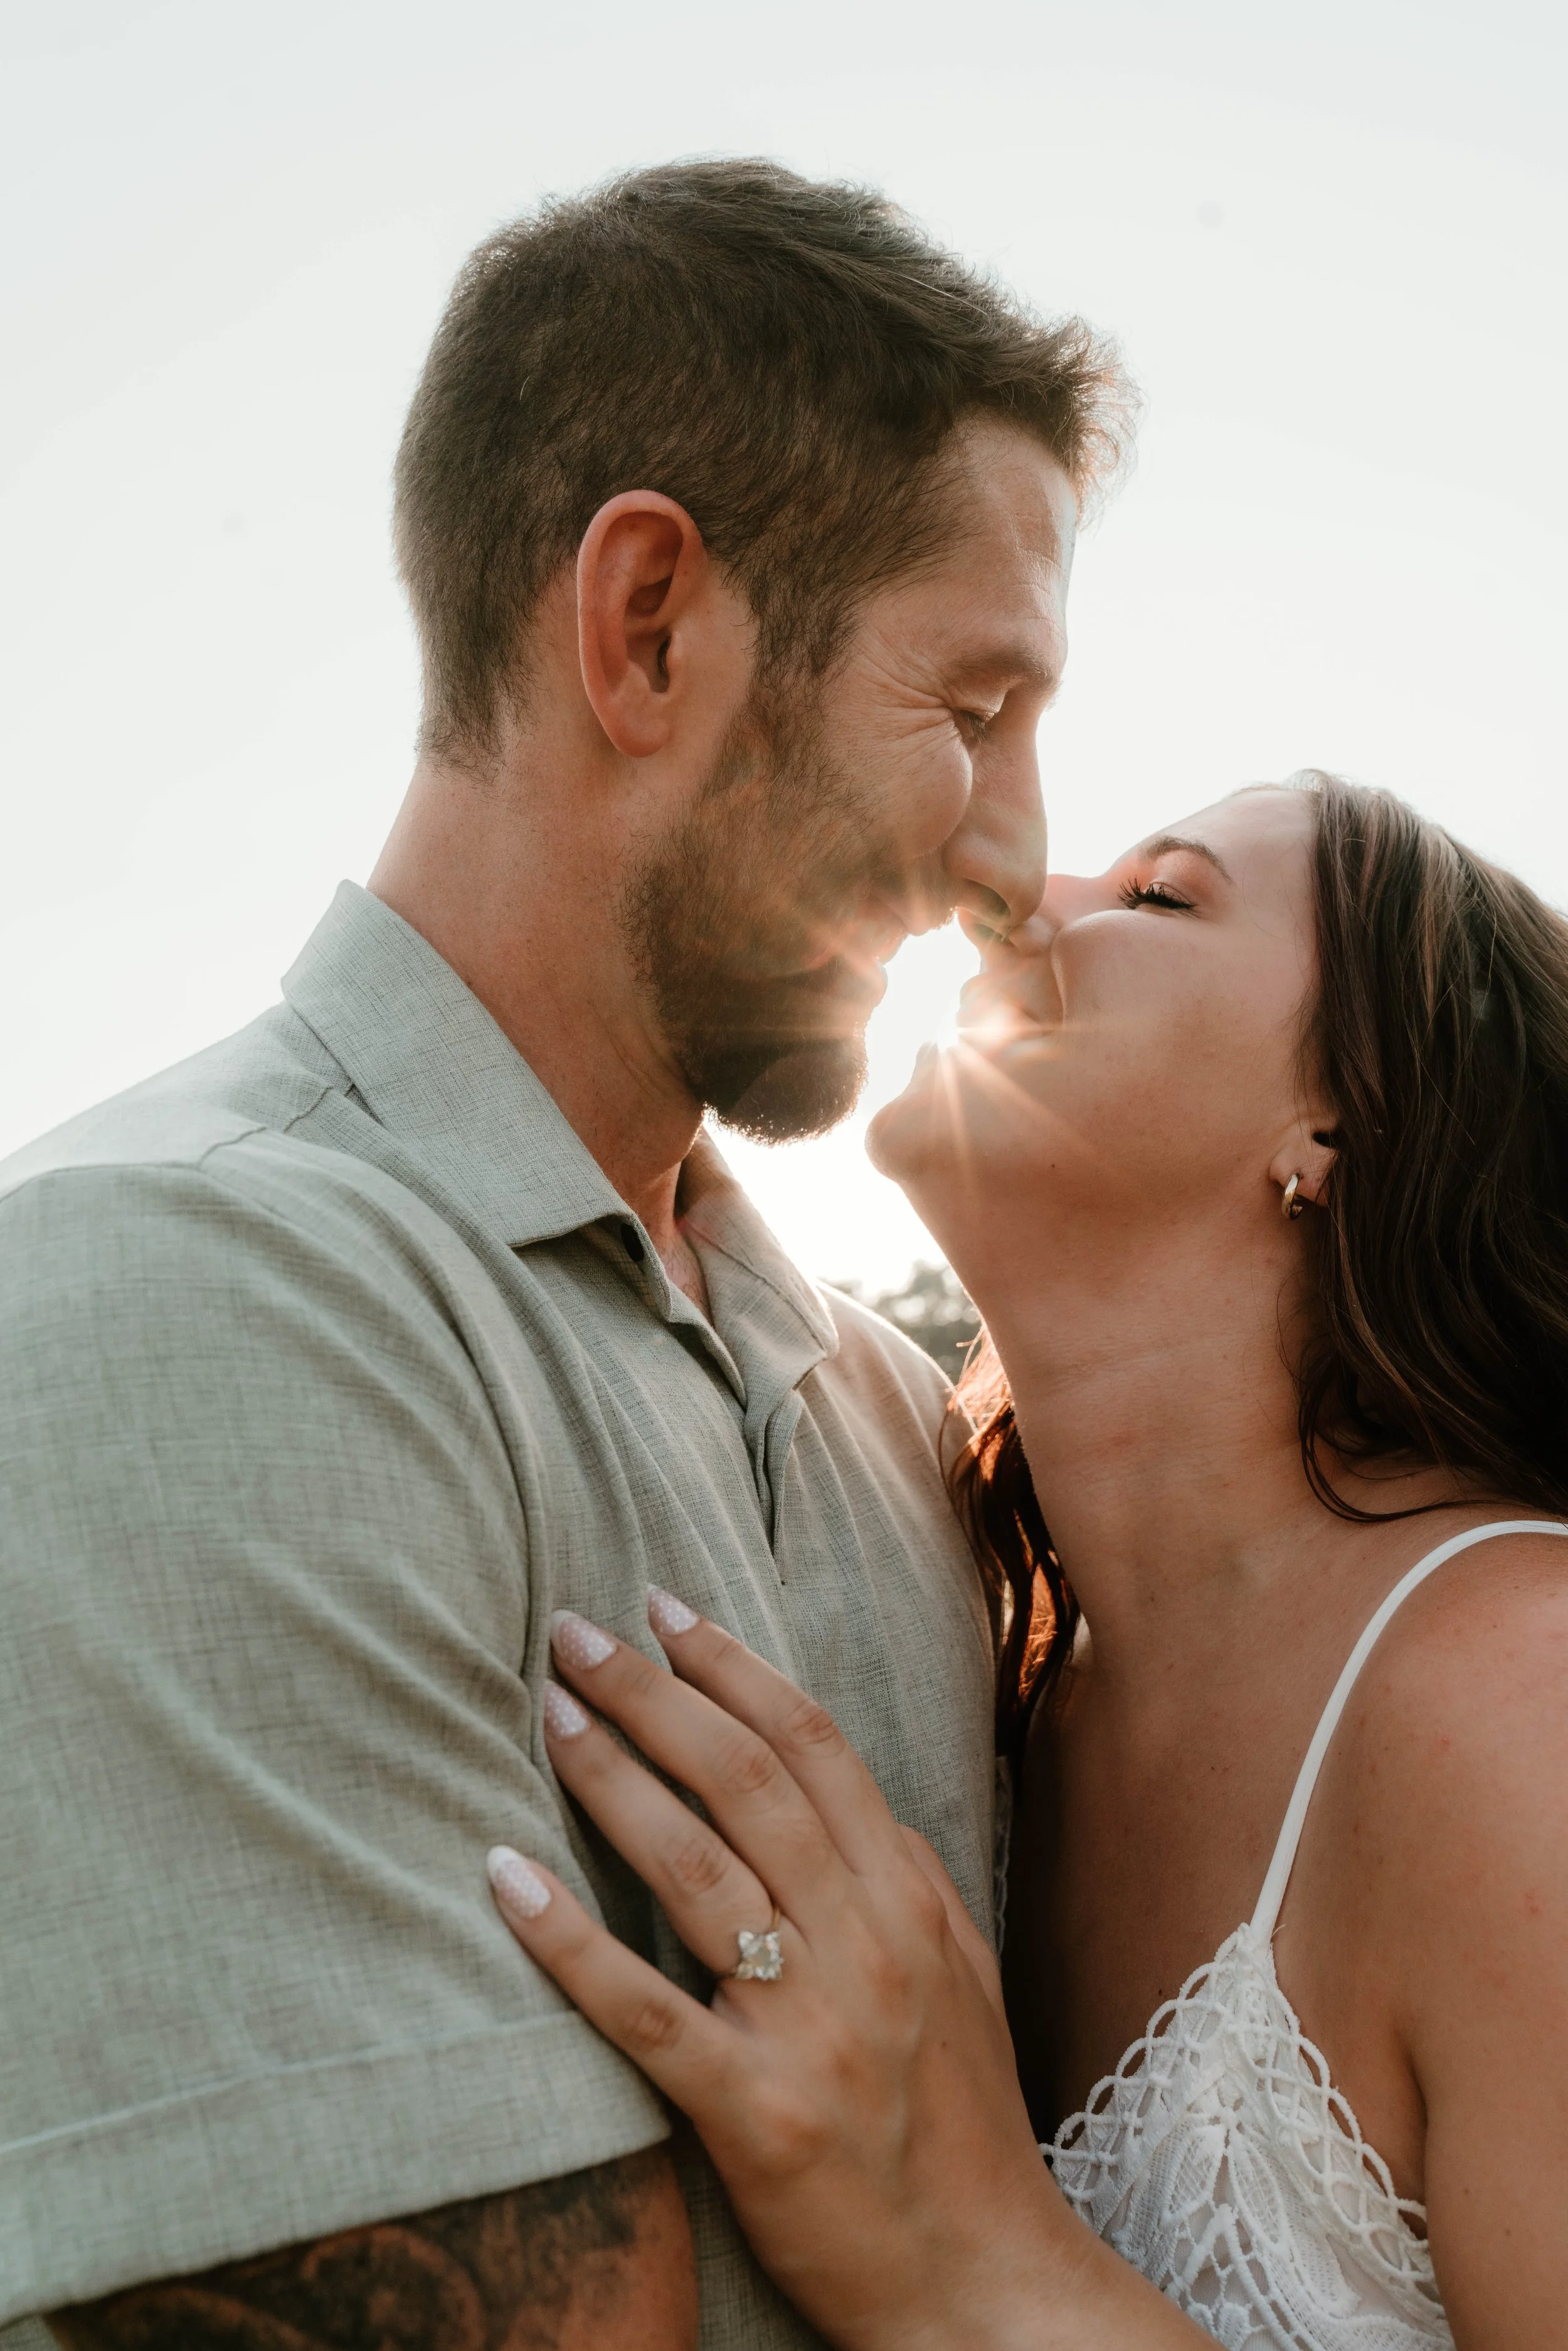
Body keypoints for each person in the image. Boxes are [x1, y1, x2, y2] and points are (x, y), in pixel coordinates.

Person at [0, 162, 1132, 2348]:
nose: (1018, 849)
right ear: (646, 628)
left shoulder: (892, 1404)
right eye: (974, 708)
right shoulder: (176, 1302)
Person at [485, 772, 1568, 2350]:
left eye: (1158, 895)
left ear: (1334, 1121)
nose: (1016, 896)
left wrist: (975, 2261)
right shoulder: (998, 1675)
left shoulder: (1512, 1694)